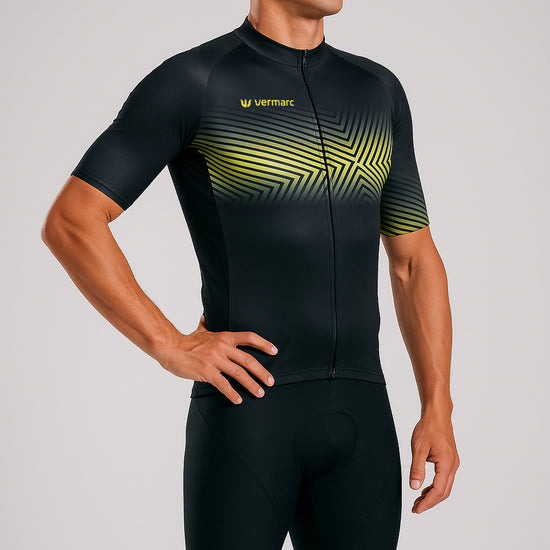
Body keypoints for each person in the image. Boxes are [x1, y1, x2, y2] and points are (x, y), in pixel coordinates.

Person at [41, 1, 459, 548]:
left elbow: (413, 260)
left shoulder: (376, 90)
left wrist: (438, 406)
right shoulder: (197, 81)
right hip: (248, 412)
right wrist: (168, 344)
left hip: (363, 416)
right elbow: (72, 220)